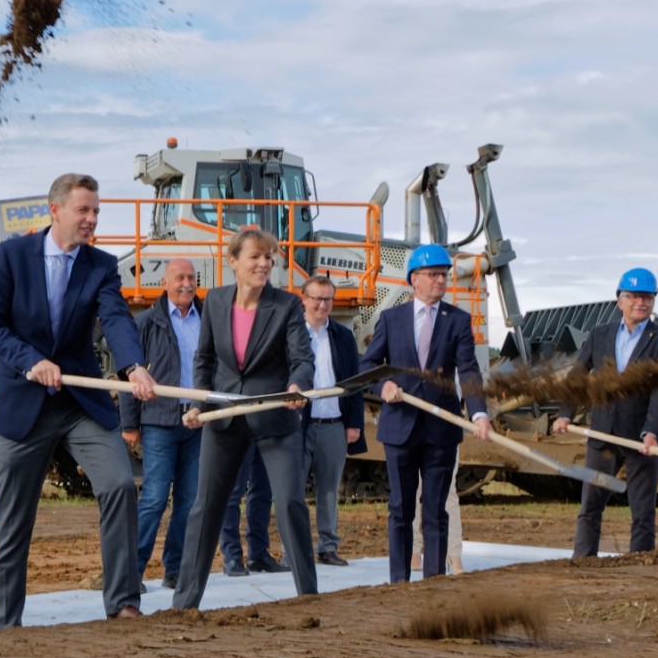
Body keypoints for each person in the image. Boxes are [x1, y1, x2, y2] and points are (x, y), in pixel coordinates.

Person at [0, 173, 156, 628]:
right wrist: (31, 360)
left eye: (96, 211)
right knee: (15, 516)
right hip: (23, 405)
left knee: (118, 485)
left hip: (80, 403)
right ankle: (8, 624)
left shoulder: (101, 265)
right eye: (84, 210)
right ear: (55, 210)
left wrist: (133, 367)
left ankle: (123, 602)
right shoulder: (10, 257)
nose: (92, 219)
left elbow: (115, 319)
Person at [170, 226, 317, 610]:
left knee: (290, 503)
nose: (264, 263)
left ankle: (309, 597)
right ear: (233, 261)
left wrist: (297, 384)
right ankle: (184, 604)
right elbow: (204, 359)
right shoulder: (216, 301)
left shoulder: (286, 305)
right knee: (206, 506)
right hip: (224, 417)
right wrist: (199, 405)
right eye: (255, 256)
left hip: (273, 415)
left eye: (269, 257)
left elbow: (302, 358)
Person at [360, 243, 491, 582]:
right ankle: (399, 582)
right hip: (400, 428)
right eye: (433, 274)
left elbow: (469, 369)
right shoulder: (391, 319)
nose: (441, 280)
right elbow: (369, 365)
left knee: (435, 509)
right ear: (414, 279)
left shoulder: (458, 320)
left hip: (440, 430)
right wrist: (384, 386)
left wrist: (478, 413)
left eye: (444, 275)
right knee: (401, 510)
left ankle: (434, 583)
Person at [552, 266, 658, 557]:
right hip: (603, 434)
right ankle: (583, 563)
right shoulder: (600, 335)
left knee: (643, 511)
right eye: (634, 296)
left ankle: (641, 567)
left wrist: (651, 431)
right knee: (590, 507)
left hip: (641, 439)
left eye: (647, 297)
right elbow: (577, 376)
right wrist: (565, 413)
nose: (641, 302)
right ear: (620, 300)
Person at [122, 257, 204, 588]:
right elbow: (127, 375)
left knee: (189, 500)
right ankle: (133, 570)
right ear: (164, 283)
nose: (186, 283)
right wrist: (130, 423)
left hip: (197, 421)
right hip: (159, 422)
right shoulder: (145, 323)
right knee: (155, 498)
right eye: (179, 277)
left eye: (191, 277)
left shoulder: (207, 320)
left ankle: (175, 569)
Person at [297, 273, 366, 567]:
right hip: (298, 427)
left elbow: (354, 382)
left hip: (333, 425)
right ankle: (295, 551)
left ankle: (328, 547)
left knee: (328, 491)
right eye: (316, 299)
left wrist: (354, 424)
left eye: (327, 299)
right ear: (304, 300)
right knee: (293, 492)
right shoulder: (292, 335)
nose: (322, 305)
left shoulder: (343, 337)